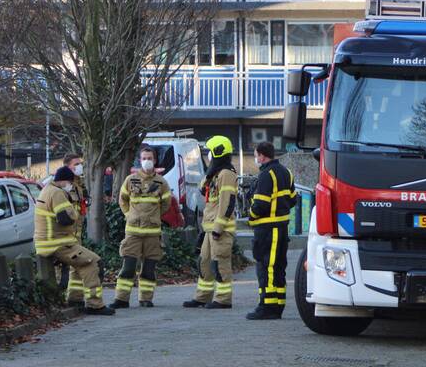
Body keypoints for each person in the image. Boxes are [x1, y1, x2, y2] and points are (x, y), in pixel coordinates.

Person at [34, 166, 113, 315]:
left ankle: (75, 299)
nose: (70, 185)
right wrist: (75, 214)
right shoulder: (57, 193)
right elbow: (65, 219)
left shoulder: (46, 190)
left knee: (81, 265)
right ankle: (95, 305)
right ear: (64, 180)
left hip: (49, 242)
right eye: (70, 182)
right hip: (58, 243)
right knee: (93, 262)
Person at [111, 146, 172, 308]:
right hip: (133, 233)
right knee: (128, 267)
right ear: (140, 160)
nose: (147, 161)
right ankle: (121, 299)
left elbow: (166, 204)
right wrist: (128, 215)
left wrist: (154, 216)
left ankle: (146, 299)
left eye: (149, 158)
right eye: (144, 158)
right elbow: (122, 200)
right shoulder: (130, 180)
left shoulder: (161, 182)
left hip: (152, 233)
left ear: (155, 160)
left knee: (149, 269)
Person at [184, 135, 238, 309]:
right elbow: (202, 190)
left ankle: (223, 299)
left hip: (219, 229)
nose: (208, 155)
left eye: (210, 152)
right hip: (209, 228)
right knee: (204, 262)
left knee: (220, 262)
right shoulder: (215, 174)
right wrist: (208, 174)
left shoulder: (227, 174)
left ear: (218, 152)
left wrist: (219, 227)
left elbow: (227, 203)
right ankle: (202, 297)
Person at [245, 142, 295, 320]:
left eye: (256, 155)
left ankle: (266, 306)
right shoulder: (286, 172)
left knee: (266, 267)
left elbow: (260, 204)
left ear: (262, 155)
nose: (256, 159)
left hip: (267, 229)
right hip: (282, 228)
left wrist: (250, 215)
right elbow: (293, 199)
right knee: (279, 267)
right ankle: (278, 305)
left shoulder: (266, 175)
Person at [62, 153, 88, 307]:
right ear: (67, 166)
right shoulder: (63, 185)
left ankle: (75, 298)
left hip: (77, 233)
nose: (79, 166)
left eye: (80, 163)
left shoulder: (78, 183)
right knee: (76, 266)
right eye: (76, 164)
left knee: (77, 267)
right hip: (66, 234)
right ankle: (71, 298)